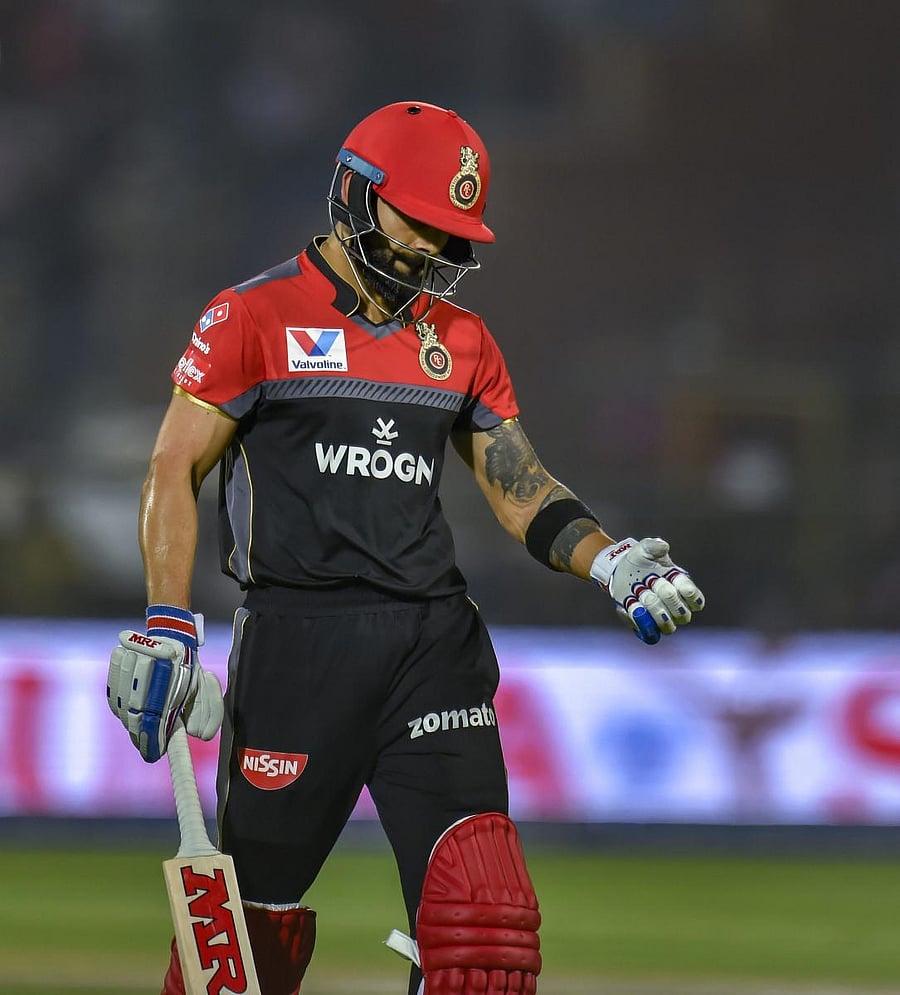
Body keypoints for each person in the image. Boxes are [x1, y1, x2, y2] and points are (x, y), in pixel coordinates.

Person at [106, 100, 705, 995]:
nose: (431, 247)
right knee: (249, 941)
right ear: (355, 192)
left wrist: (612, 561)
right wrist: (167, 620)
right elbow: (173, 466)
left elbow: (522, 488)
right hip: (298, 648)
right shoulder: (250, 317)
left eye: (449, 233)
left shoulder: (462, 341)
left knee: (484, 931)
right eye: (417, 221)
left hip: (433, 646)